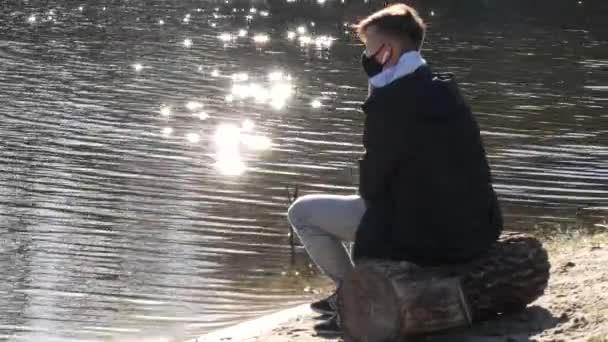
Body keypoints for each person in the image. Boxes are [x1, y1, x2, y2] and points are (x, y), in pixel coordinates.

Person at [287, 3, 503, 335]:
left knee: (302, 213)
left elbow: (371, 186)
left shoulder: (394, 104)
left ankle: (352, 297)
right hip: (472, 230)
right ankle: (353, 290)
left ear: (385, 52)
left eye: (368, 48)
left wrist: (375, 87)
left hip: (423, 235)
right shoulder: (444, 90)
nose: (366, 56)